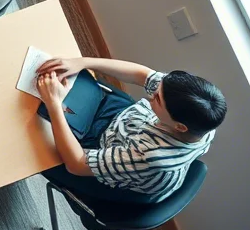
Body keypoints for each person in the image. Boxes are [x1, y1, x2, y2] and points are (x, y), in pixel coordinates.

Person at [37, 57, 225, 202]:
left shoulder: (151, 157)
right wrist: (82, 62)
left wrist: (54, 103)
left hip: (103, 150)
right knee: (65, 75)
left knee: (31, 126)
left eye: (157, 98)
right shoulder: (205, 120)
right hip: (126, 119)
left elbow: (77, 164)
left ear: (179, 126)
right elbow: (142, 75)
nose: (152, 94)